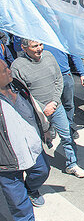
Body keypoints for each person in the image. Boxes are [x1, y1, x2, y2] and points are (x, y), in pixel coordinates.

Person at [11, 39, 84, 178]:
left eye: (40, 44)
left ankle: (72, 164)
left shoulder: (49, 56)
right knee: (35, 140)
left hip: (55, 106)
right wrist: (42, 108)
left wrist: (54, 101)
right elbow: (21, 93)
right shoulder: (17, 67)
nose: (39, 48)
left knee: (67, 135)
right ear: (24, 48)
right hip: (35, 112)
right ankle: (37, 168)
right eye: (35, 46)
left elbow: (59, 79)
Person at [0, 59, 51, 220]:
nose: (9, 71)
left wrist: (46, 129)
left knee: (42, 171)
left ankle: (30, 189)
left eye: (7, 68)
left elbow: (33, 108)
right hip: (7, 163)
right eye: (4, 70)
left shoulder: (17, 85)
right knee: (20, 207)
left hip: (33, 149)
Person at [43, 45, 84, 140]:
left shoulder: (62, 37)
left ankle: (69, 126)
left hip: (65, 75)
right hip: (49, 76)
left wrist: (82, 73)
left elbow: (74, 54)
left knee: (69, 104)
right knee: (52, 104)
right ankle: (52, 125)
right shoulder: (42, 37)